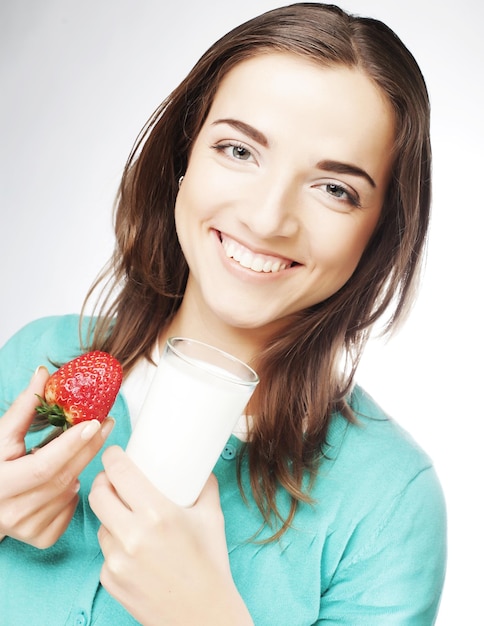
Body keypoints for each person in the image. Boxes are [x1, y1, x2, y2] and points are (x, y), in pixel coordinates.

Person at [0, 3, 446, 624]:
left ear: (380, 232)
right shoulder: (31, 362)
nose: (267, 219)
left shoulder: (390, 504)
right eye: (238, 150)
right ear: (185, 156)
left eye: (335, 189)